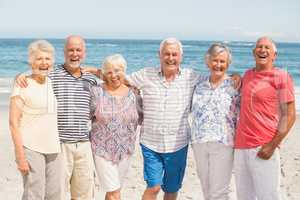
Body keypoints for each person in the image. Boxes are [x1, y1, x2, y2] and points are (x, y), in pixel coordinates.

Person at [84, 37, 241, 200]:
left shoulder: (192, 77)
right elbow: (119, 78)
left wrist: (235, 76)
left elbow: (216, 78)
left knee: (171, 190)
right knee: (153, 187)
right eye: (167, 54)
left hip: (178, 144)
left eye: (174, 54)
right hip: (150, 144)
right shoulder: (146, 74)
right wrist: (96, 71)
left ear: (181, 56)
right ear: (160, 55)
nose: (170, 58)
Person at [16, 35, 97, 200]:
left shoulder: (91, 79)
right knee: (56, 194)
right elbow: (34, 74)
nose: (75, 54)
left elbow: (111, 83)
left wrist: (98, 70)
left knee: (84, 194)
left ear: (84, 53)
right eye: (70, 50)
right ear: (64, 52)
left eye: (78, 50)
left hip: (84, 144)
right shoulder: (53, 73)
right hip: (59, 145)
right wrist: (19, 76)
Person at [234, 37, 296, 200]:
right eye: (259, 47)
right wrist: (234, 76)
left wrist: (272, 145)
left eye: (267, 48)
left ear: (274, 55)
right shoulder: (247, 75)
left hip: (263, 146)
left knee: (268, 196)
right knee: (244, 197)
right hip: (240, 147)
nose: (262, 50)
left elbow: (289, 114)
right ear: (254, 53)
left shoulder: (281, 76)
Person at [9, 40, 63, 200]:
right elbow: (13, 123)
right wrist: (20, 156)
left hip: (54, 148)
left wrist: (98, 71)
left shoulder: (51, 82)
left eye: (47, 59)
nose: (44, 63)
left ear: (52, 61)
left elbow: (75, 69)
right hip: (31, 147)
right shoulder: (22, 84)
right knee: (34, 194)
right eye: (39, 59)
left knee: (55, 194)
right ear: (31, 61)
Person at [189, 43, 239, 200]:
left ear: (228, 64)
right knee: (206, 188)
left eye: (222, 61)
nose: (218, 65)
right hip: (199, 142)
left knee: (220, 191)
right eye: (215, 60)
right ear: (208, 61)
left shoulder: (235, 85)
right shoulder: (198, 86)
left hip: (224, 143)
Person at [89, 54, 142, 200]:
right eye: (109, 72)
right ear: (104, 74)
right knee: (114, 192)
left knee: (114, 189)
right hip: (101, 149)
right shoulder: (96, 91)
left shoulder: (134, 93)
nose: (114, 75)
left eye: (117, 70)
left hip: (125, 150)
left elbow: (142, 117)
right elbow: (86, 115)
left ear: (124, 71)